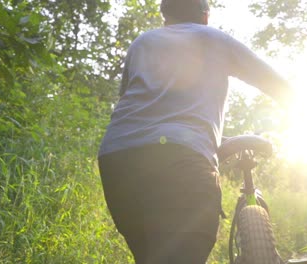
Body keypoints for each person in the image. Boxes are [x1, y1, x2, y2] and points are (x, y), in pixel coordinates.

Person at [97, 0, 292, 263]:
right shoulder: (214, 38)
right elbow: (275, 84)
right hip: (181, 157)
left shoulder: (142, 43)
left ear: (165, 17)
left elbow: (134, 109)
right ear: (205, 15)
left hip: (119, 158)